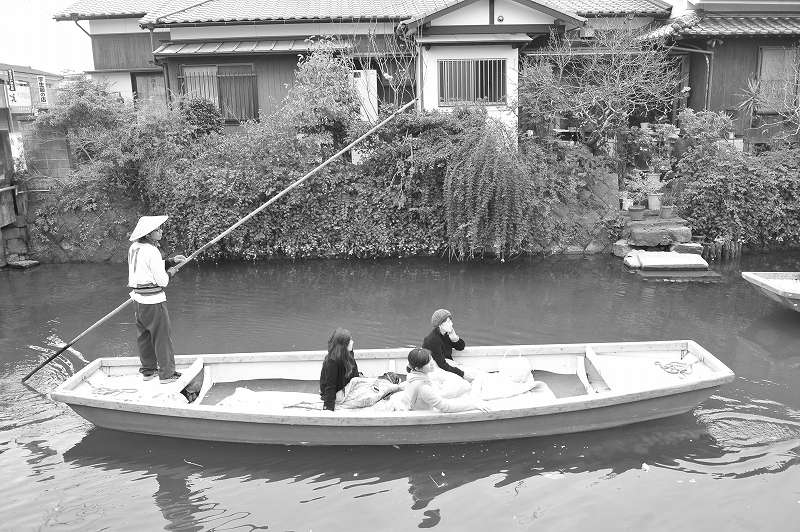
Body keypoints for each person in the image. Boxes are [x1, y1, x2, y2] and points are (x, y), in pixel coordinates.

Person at [128, 215, 186, 383]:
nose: (161, 231)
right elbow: (162, 281)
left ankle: (148, 371)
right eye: (158, 230)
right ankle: (167, 374)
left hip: (138, 300)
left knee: (144, 336)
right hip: (153, 301)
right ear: (148, 234)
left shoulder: (134, 247)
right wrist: (171, 272)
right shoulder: (152, 250)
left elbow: (146, 268)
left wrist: (170, 261)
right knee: (162, 337)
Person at [389, 348, 489, 413]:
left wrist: (395, 388)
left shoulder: (411, 376)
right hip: (419, 415)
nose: (432, 363)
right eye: (427, 362)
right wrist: (474, 405)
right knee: (466, 393)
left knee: (463, 388)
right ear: (418, 368)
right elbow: (446, 407)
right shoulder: (424, 389)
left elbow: (404, 386)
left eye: (430, 359)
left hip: (412, 407)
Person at [422, 309, 474, 382]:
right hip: (435, 369)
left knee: (474, 373)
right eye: (448, 322)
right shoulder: (433, 340)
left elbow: (461, 347)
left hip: (448, 365)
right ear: (440, 324)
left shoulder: (447, 334)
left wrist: (455, 339)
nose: (452, 324)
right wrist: (462, 374)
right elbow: (442, 364)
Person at [319, 328, 360, 411]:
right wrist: (328, 408)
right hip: (336, 393)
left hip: (345, 386)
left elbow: (355, 374)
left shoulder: (348, 354)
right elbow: (330, 385)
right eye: (350, 340)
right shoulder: (332, 361)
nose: (352, 342)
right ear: (343, 345)